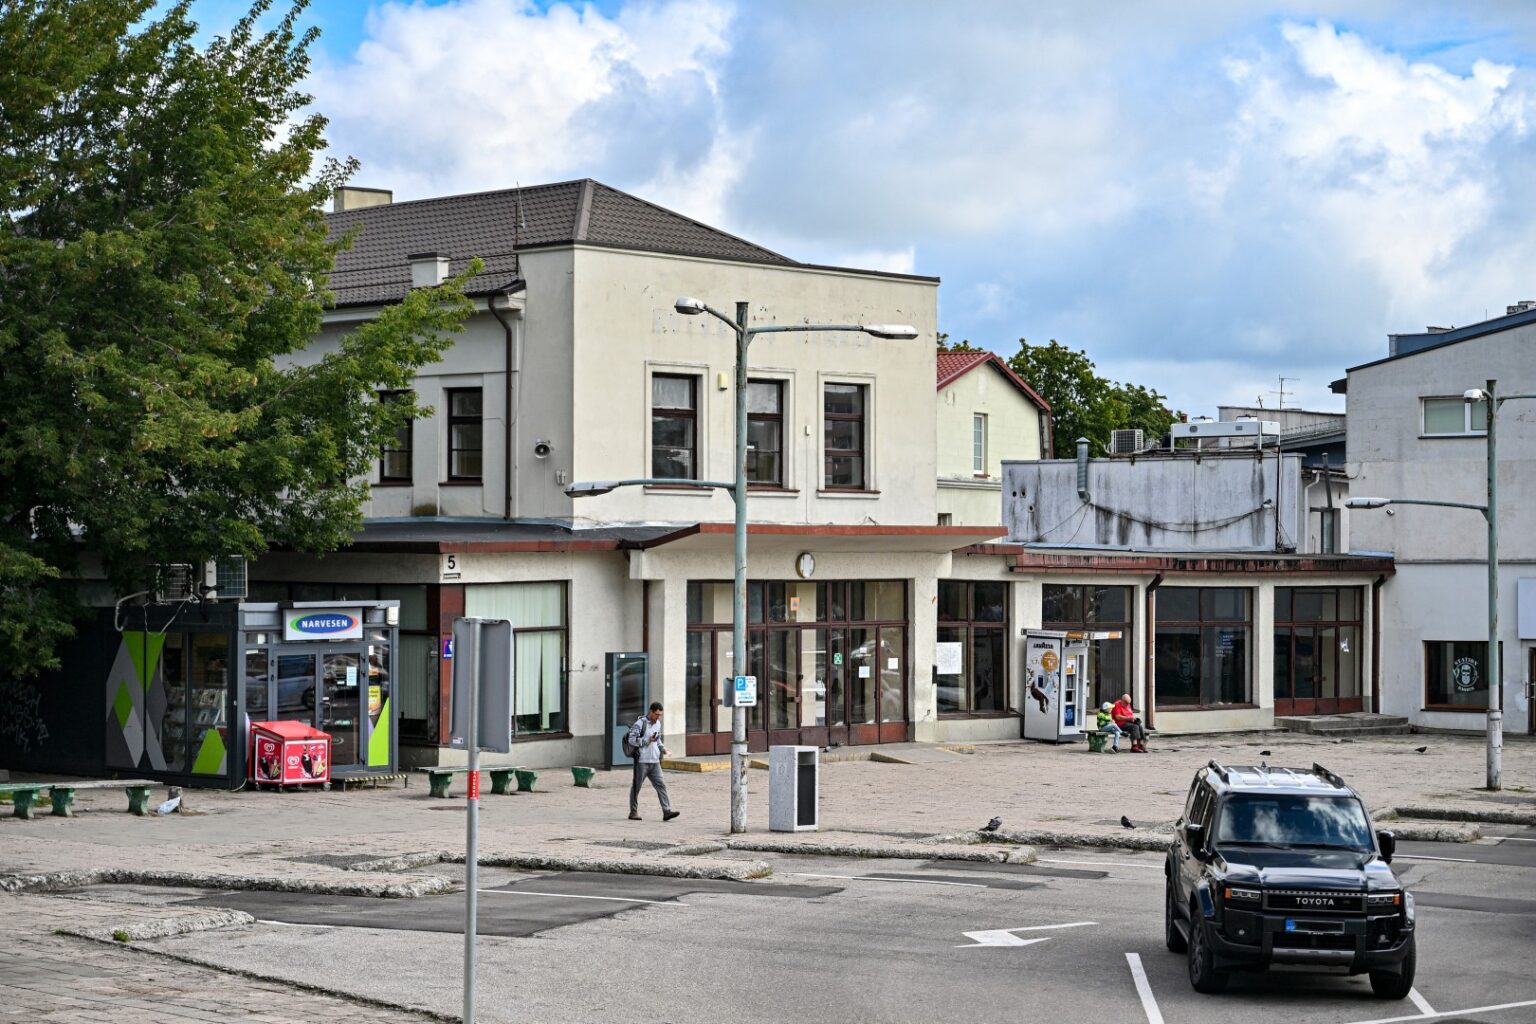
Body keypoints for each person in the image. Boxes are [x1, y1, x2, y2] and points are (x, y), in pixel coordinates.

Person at [627, 702, 680, 821]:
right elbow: (632, 740)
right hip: (642, 761)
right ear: (651, 712)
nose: (658, 717)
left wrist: (663, 748)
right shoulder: (640, 724)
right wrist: (647, 741)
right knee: (636, 787)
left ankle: (667, 811)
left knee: (661, 785)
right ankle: (633, 812)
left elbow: (658, 739)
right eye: (656, 714)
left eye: (660, 715)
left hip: (655, 761)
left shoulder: (658, 724)